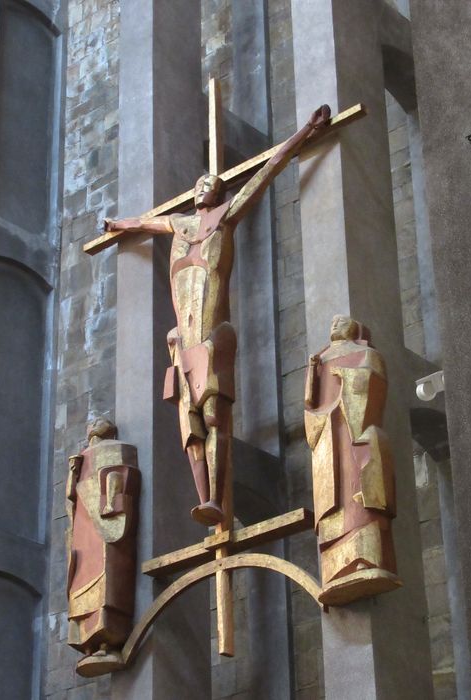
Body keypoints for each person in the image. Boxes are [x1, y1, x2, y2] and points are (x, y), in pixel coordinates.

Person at [105, 105, 331, 526]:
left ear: (220, 193)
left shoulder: (225, 219)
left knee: (213, 416)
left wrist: (304, 131)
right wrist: (117, 225)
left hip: (212, 337)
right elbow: (142, 223)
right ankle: (205, 497)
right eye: (198, 182)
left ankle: (216, 495)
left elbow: (268, 170)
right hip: (182, 342)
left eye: (209, 182)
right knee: (188, 429)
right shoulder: (177, 225)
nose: (201, 185)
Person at [304, 315, 401, 605]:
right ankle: (335, 568)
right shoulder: (318, 364)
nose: (334, 324)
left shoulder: (367, 354)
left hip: (354, 435)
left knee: (360, 496)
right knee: (333, 502)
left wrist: (347, 377)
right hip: (329, 440)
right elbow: (310, 408)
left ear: (355, 329)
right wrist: (313, 379)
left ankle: (366, 561)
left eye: (342, 322)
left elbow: (373, 384)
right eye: (332, 322)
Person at [66, 417, 140, 676]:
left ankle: (107, 639)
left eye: (97, 422)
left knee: (106, 581)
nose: (91, 425)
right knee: (80, 582)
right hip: (84, 532)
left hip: (103, 529)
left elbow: (121, 479)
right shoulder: (81, 459)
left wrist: (107, 500)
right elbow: (72, 499)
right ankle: (88, 644)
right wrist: (73, 474)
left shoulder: (116, 450)